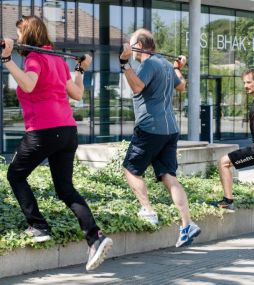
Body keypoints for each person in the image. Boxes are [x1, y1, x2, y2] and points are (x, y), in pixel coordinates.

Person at [1, 15, 112, 271]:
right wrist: (80, 70)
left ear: (28, 34)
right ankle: (95, 237)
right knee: (65, 189)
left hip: (43, 130)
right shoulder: (58, 60)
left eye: (19, 33)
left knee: (15, 175)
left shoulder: (35, 59)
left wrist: (7, 61)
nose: (17, 38)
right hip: (67, 130)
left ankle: (38, 226)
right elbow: (76, 93)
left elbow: (28, 85)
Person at [119, 28, 201, 247]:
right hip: (170, 130)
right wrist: (177, 68)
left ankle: (147, 209)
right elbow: (181, 86)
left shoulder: (148, 64)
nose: (130, 45)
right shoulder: (165, 63)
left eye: (132, 43)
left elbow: (137, 87)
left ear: (141, 45)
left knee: (130, 168)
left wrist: (124, 63)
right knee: (168, 175)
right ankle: (187, 224)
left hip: (150, 128)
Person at [212, 68, 254, 239]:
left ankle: (228, 201)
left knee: (224, 162)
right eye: (244, 82)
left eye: (249, 82)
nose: (245, 85)